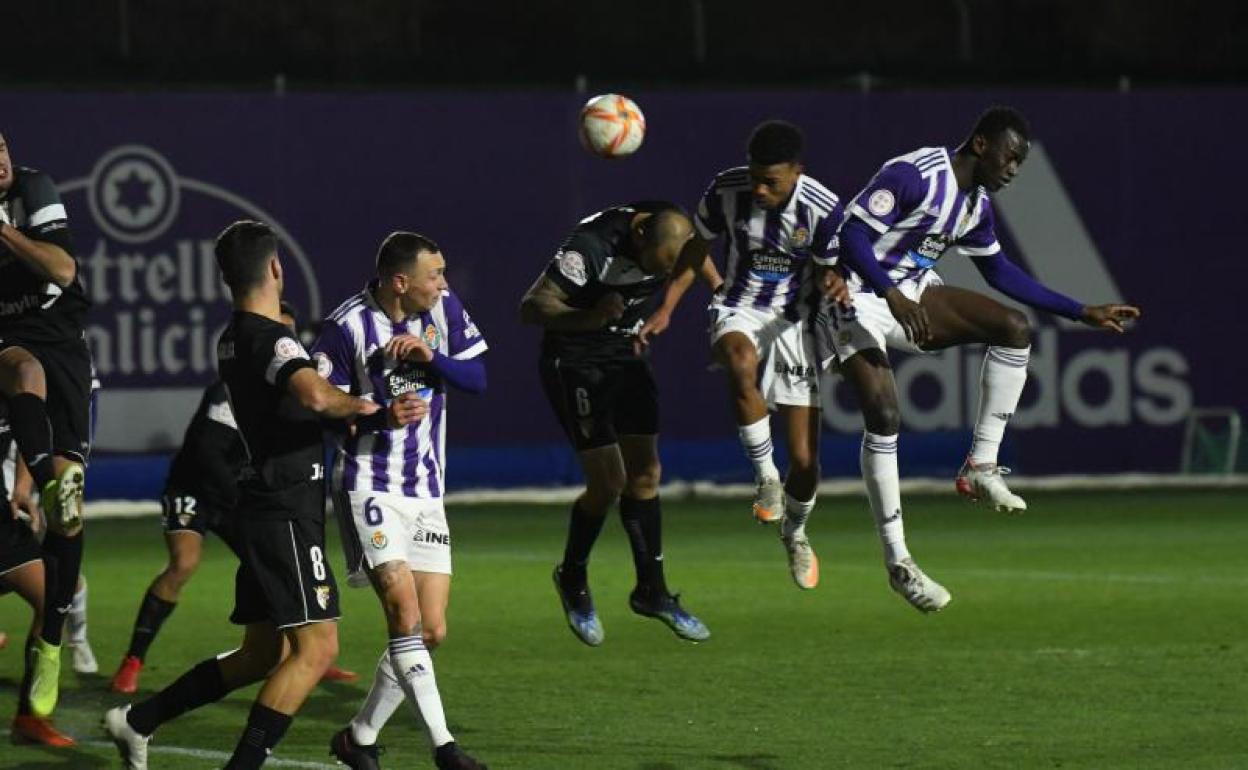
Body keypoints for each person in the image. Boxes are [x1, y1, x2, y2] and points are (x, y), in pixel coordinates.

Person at [828, 106, 1141, 612]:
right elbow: (853, 236)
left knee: (1014, 329)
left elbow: (1000, 274)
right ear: (980, 145)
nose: (1013, 170)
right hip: (852, 295)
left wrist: (1080, 311)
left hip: (909, 295)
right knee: (885, 414)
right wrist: (891, 295)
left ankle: (981, 465)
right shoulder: (914, 176)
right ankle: (899, 563)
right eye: (1010, 157)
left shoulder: (974, 207)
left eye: (1020, 163)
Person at [104, 220, 392, 770]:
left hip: (263, 505)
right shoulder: (272, 337)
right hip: (285, 510)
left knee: (262, 654)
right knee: (317, 649)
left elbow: (289, 409)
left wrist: (337, 414)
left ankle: (138, 720)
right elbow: (311, 394)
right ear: (276, 269)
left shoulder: (233, 338)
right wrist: (359, 406)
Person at [640, 121, 851, 590]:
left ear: (797, 171)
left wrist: (836, 282)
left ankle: (795, 534)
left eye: (770, 182)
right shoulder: (725, 190)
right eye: (754, 176)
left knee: (806, 462)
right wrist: (668, 308)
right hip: (739, 306)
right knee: (738, 360)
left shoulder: (822, 209)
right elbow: (696, 250)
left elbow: (831, 270)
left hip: (796, 322)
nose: (758, 188)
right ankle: (765, 479)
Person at [109, 303, 357, 694]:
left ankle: (308, 652)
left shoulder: (287, 391)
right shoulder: (230, 392)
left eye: (291, 340)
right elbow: (208, 454)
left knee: (280, 565)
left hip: (240, 496)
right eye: (280, 337)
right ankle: (133, 660)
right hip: (196, 489)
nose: (286, 347)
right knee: (183, 564)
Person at [316, 231, 488, 770]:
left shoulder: (442, 309)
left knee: (430, 629)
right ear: (400, 282)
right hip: (370, 481)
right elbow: (321, 408)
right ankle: (445, 748)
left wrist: (431, 355)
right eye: (432, 275)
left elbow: (478, 379)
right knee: (403, 612)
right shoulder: (346, 327)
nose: (442, 283)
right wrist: (378, 414)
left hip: (426, 490)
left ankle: (358, 738)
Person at [521, 201, 715, 647]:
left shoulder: (673, 234)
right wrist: (589, 316)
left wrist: (684, 303)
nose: (661, 271)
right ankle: (572, 577)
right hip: (574, 359)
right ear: (641, 235)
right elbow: (531, 307)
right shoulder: (590, 249)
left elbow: (697, 255)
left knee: (647, 473)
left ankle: (652, 591)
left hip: (623, 354)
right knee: (608, 482)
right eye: (656, 266)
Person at [0, 131, 92, 720]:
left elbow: (62, 268)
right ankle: (39, 473)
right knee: (21, 369)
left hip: (64, 349)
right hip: (12, 348)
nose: (1, 159)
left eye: (1, 146)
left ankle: (53, 644)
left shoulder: (33, 189)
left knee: (69, 518)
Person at [0, 400, 75, 746]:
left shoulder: (11, 372)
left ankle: (29, 718)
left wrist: (21, 487)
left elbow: (27, 430)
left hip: (3, 518)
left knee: (54, 598)